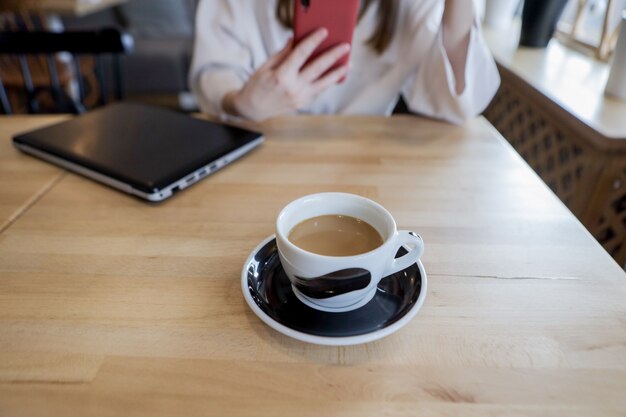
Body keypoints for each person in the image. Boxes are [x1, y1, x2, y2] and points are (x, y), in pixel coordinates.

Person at [189, 0, 500, 124]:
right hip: (259, 146)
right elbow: (214, 70)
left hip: (361, 161)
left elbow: (460, 102)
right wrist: (240, 104)